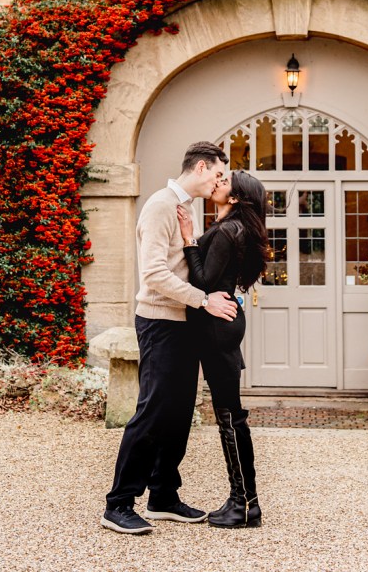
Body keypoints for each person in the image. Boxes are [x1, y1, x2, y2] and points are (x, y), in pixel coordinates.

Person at [101, 141, 237, 535]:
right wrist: (204, 301)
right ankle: (118, 503)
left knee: (178, 414)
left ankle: (162, 495)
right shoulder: (160, 205)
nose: (219, 182)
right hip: (159, 323)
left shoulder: (185, 208)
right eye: (217, 174)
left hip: (184, 324)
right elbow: (155, 274)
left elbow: (184, 265)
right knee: (152, 412)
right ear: (200, 167)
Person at [178, 169, 269, 529]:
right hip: (222, 326)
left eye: (225, 181)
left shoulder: (228, 231)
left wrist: (188, 238)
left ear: (235, 198)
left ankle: (244, 504)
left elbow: (204, 282)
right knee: (230, 416)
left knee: (230, 417)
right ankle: (245, 502)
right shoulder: (231, 228)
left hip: (217, 328)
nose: (217, 182)